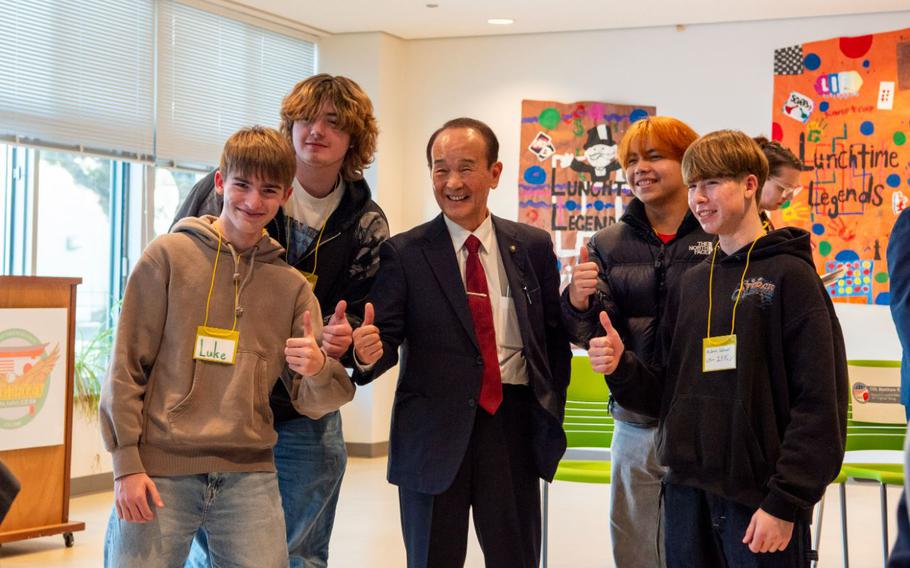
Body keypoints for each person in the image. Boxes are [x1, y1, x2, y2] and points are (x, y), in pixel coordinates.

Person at [100, 126, 355, 567]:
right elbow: (125, 368)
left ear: (285, 195)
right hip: (160, 470)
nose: (254, 202)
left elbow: (323, 400)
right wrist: (127, 465)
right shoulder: (166, 258)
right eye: (242, 185)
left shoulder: (291, 287)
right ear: (220, 183)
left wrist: (317, 369)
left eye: (269, 190)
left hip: (249, 476)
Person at [594, 129, 848, 567]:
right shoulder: (694, 280)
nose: (698, 198)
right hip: (688, 495)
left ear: (750, 185)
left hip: (761, 502)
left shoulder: (791, 276)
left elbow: (820, 403)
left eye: (711, 183)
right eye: (693, 185)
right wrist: (622, 367)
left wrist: (786, 501)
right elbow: (665, 393)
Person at [174, 74, 389, 568]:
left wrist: (347, 335)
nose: (316, 130)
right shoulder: (229, 189)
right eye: (305, 118)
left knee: (300, 552)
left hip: (303, 409)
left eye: (333, 122)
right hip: (217, 400)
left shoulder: (366, 223)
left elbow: (363, 315)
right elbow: (180, 279)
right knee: (211, 554)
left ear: (353, 139)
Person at [350, 117, 571, 568]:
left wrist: (548, 412)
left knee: (517, 557)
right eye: (439, 169)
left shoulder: (530, 246)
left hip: (511, 427)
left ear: (495, 173)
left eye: (466, 168)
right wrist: (366, 352)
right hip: (432, 435)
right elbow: (384, 337)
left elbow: (551, 338)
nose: (452, 182)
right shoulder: (405, 252)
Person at [562, 115, 709, 568]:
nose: (639, 168)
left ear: (688, 163)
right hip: (634, 419)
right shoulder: (606, 242)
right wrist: (576, 301)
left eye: (654, 156)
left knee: (699, 548)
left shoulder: (718, 233)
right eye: (631, 160)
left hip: (706, 420)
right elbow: (590, 331)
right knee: (635, 549)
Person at [753, 136, 810, 229]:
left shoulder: (764, 223)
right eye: (783, 188)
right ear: (760, 177)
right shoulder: (734, 223)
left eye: (793, 190)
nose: (789, 197)